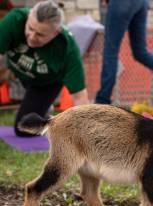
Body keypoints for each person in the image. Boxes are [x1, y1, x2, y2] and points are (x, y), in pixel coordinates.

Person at [0, 0, 89, 137]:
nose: (32, 37)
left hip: (44, 83)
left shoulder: (67, 50)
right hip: (16, 71)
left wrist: (85, 136)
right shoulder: (14, 19)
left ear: (56, 33)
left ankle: (47, 112)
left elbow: (80, 97)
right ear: (29, 17)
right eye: (30, 28)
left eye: (40, 34)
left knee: (23, 129)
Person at [95, 0, 153, 104]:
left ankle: (103, 100)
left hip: (122, 3)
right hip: (141, 3)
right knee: (140, 52)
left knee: (110, 51)